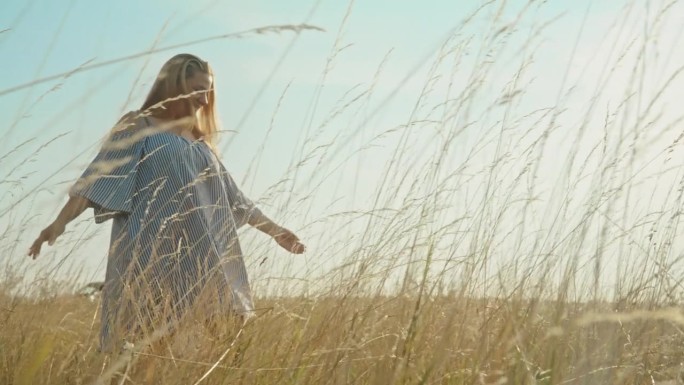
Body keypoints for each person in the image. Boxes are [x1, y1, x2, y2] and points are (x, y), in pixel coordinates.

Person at [27, 53, 306, 352]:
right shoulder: (139, 125)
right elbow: (96, 179)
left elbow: (234, 198)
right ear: (174, 87)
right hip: (149, 250)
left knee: (228, 322)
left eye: (208, 91)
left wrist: (276, 231)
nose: (203, 99)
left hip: (199, 248)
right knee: (152, 337)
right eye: (198, 89)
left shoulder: (200, 141)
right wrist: (57, 224)